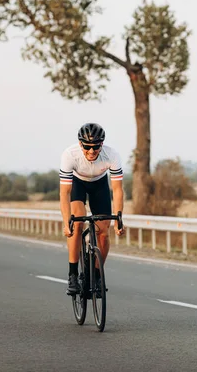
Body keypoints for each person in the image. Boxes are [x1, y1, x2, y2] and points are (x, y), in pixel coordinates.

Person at [59, 122, 125, 295]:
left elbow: (117, 190)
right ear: (80, 144)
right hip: (77, 184)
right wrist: (67, 222)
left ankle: (95, 274)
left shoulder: (111, 155)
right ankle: (73, 274)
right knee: (77, 222)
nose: (91, 151)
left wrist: (118, 219)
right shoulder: (69, 155)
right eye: (87, 147)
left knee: (103, 231)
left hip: (99, 185)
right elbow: (65, 193)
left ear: (101, 144)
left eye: (95, 147)